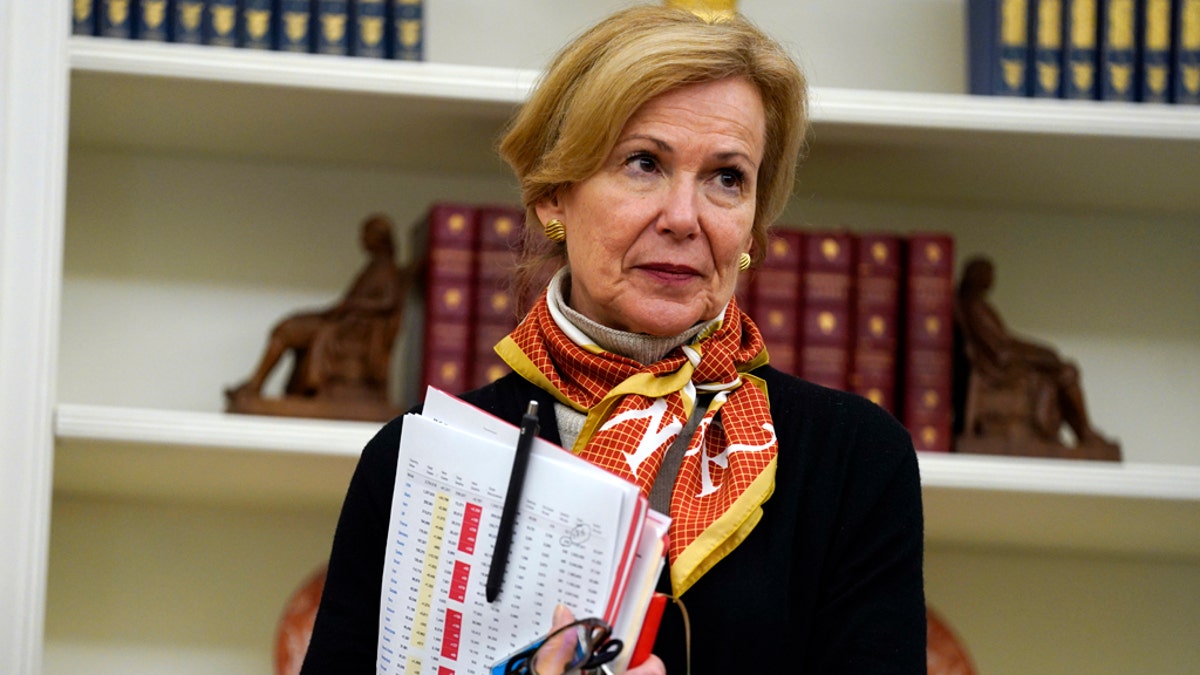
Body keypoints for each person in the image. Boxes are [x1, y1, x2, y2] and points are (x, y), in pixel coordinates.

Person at [301, 5, 926, 674]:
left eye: (726, 178)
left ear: (752, 226)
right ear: (553, 196)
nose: (684, 218)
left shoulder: (855, 459)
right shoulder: (418, 458)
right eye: (643, 163)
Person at [227, 214, 406, 404]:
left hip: (352, 328)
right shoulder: (373, 266)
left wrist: (352, 305)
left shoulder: (387, 269)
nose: (362, 239)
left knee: (288, 331)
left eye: (366, 234)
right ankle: (256, 385)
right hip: (342, 320)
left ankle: (255, 385)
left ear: (379, 237)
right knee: (286, 327)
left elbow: (389, 302)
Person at [956, 255, 1115, 449]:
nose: (991, 278)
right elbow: (1001, 350)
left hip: (1004, 360)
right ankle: (1082, 432)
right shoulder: (974, 306)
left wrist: (1042, 350)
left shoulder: (977, 305)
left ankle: (1081, 431)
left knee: (1057, 362)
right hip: (1000, 368)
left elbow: (1005, 339)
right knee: (1067, 372)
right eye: (987, 273)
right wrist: (1041, 354)